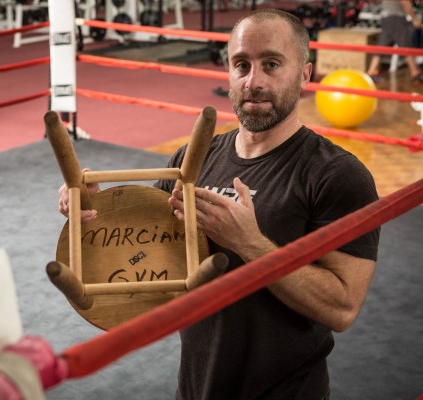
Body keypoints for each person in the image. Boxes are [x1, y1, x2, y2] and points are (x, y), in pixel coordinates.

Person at [58, 9, 380, 400]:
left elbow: (342, 308)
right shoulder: (190, 159)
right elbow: (146, 261)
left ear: (305, 74)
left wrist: (250, 243)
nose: (253, 81)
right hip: (197, 387)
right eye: (241, 65)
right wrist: (94, 216)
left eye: (272, 64)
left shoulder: (337, 176)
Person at [366, 0, 423, 83]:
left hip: (386, 18)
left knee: (382, 46)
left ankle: (371, 71)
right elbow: (405, 2)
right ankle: (415, 73)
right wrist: (414, 19)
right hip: (397, 19)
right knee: (406, 46)